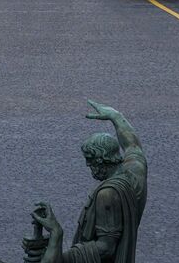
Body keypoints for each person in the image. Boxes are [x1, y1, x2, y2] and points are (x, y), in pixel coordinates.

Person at [31, 101, 147, 263]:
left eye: (89, 160)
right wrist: (116, 116)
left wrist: (60, 255)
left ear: (101, 160)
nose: (87, 165)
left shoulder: (107, 194)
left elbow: (106, 248)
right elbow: (133, 145)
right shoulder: (135, 174)